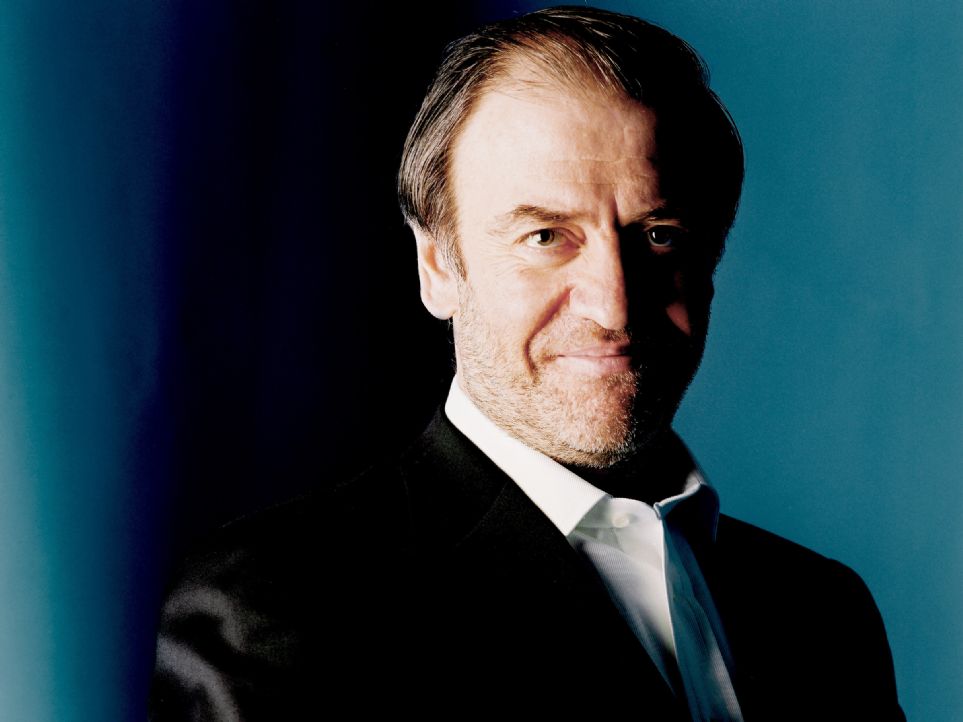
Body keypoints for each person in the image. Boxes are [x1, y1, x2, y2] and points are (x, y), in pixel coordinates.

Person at [149, 7, 903, 720]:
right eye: (546, 237)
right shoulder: (282, 607)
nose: (613, 305)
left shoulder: (821, 611)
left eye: (659, 235)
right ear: (437, 266)